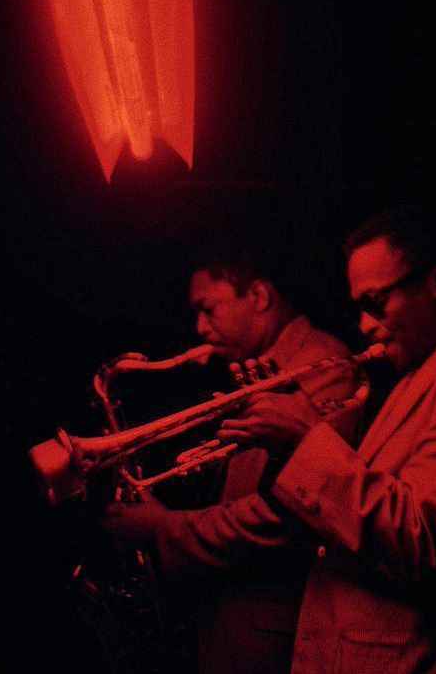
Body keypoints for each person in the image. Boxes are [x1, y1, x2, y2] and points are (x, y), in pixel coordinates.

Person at [216, 207, 436, 673]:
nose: (364, 327)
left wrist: (306, 440)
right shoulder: (423, 370)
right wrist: (289, 442)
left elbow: (423, 541)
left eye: (376, 303)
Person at [104, 241, 363, 674]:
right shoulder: (265, 368)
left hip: (270, 638)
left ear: (259, 296)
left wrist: (165, 527)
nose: (200, 328)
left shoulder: (324, 368)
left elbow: (286, 519)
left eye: (209, 309)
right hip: (231, 624)